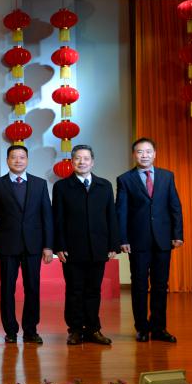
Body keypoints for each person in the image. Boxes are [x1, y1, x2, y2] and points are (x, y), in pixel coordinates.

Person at [116, 137, 183, 343]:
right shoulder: (125, 179)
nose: (144, 155)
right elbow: (121, 211)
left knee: (160, 285)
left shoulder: (167, 176)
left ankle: (159, 328)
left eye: (148, 151)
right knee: (139, 285)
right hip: (138, 240)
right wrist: (123, 239)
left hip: (163, 239)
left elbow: (175, 206)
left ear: (154, 154)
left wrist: (177, 234)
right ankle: (142, 328)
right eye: (139, 152)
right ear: (133, 155)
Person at [53, 144, 120, 346]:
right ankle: (75, 330)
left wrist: (113, 245)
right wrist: (59, 246)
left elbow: (111, 216)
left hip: (98, 247)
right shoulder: (62, 187)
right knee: (74, 290)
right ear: (72, 162)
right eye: (77, 158)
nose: (82, 162)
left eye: (86, 158)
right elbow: (58, 219)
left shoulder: (104, 185)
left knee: (93, 290)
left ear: (93, 162)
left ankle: (93, 329)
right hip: (72, 248)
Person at [0, 145, 54, 344]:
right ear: (7, 160)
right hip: (7, 245)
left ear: (27, 160)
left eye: (22, 157)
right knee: (7, 289)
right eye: (14, 157)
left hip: (34, 245)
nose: (18, 161)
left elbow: (47, 217)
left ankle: (31, 330)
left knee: (32, 288)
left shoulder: (40, 184)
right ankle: (10, 330)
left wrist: (48, 246)